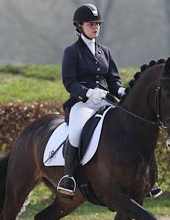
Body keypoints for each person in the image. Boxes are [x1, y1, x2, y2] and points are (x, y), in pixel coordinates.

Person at [57, 3, 162, 199]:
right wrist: (88, 93)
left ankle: (149, 178)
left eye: (97, 24)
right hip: (82, 103)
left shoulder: (104, 51)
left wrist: (121, 91)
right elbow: (69, 82)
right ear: (80, 25)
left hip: (105, 100)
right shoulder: (72, 52)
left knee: (134, 127)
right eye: (91, 24)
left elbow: (113, 80)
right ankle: (69, 177)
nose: (95, 27)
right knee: (77, 130)